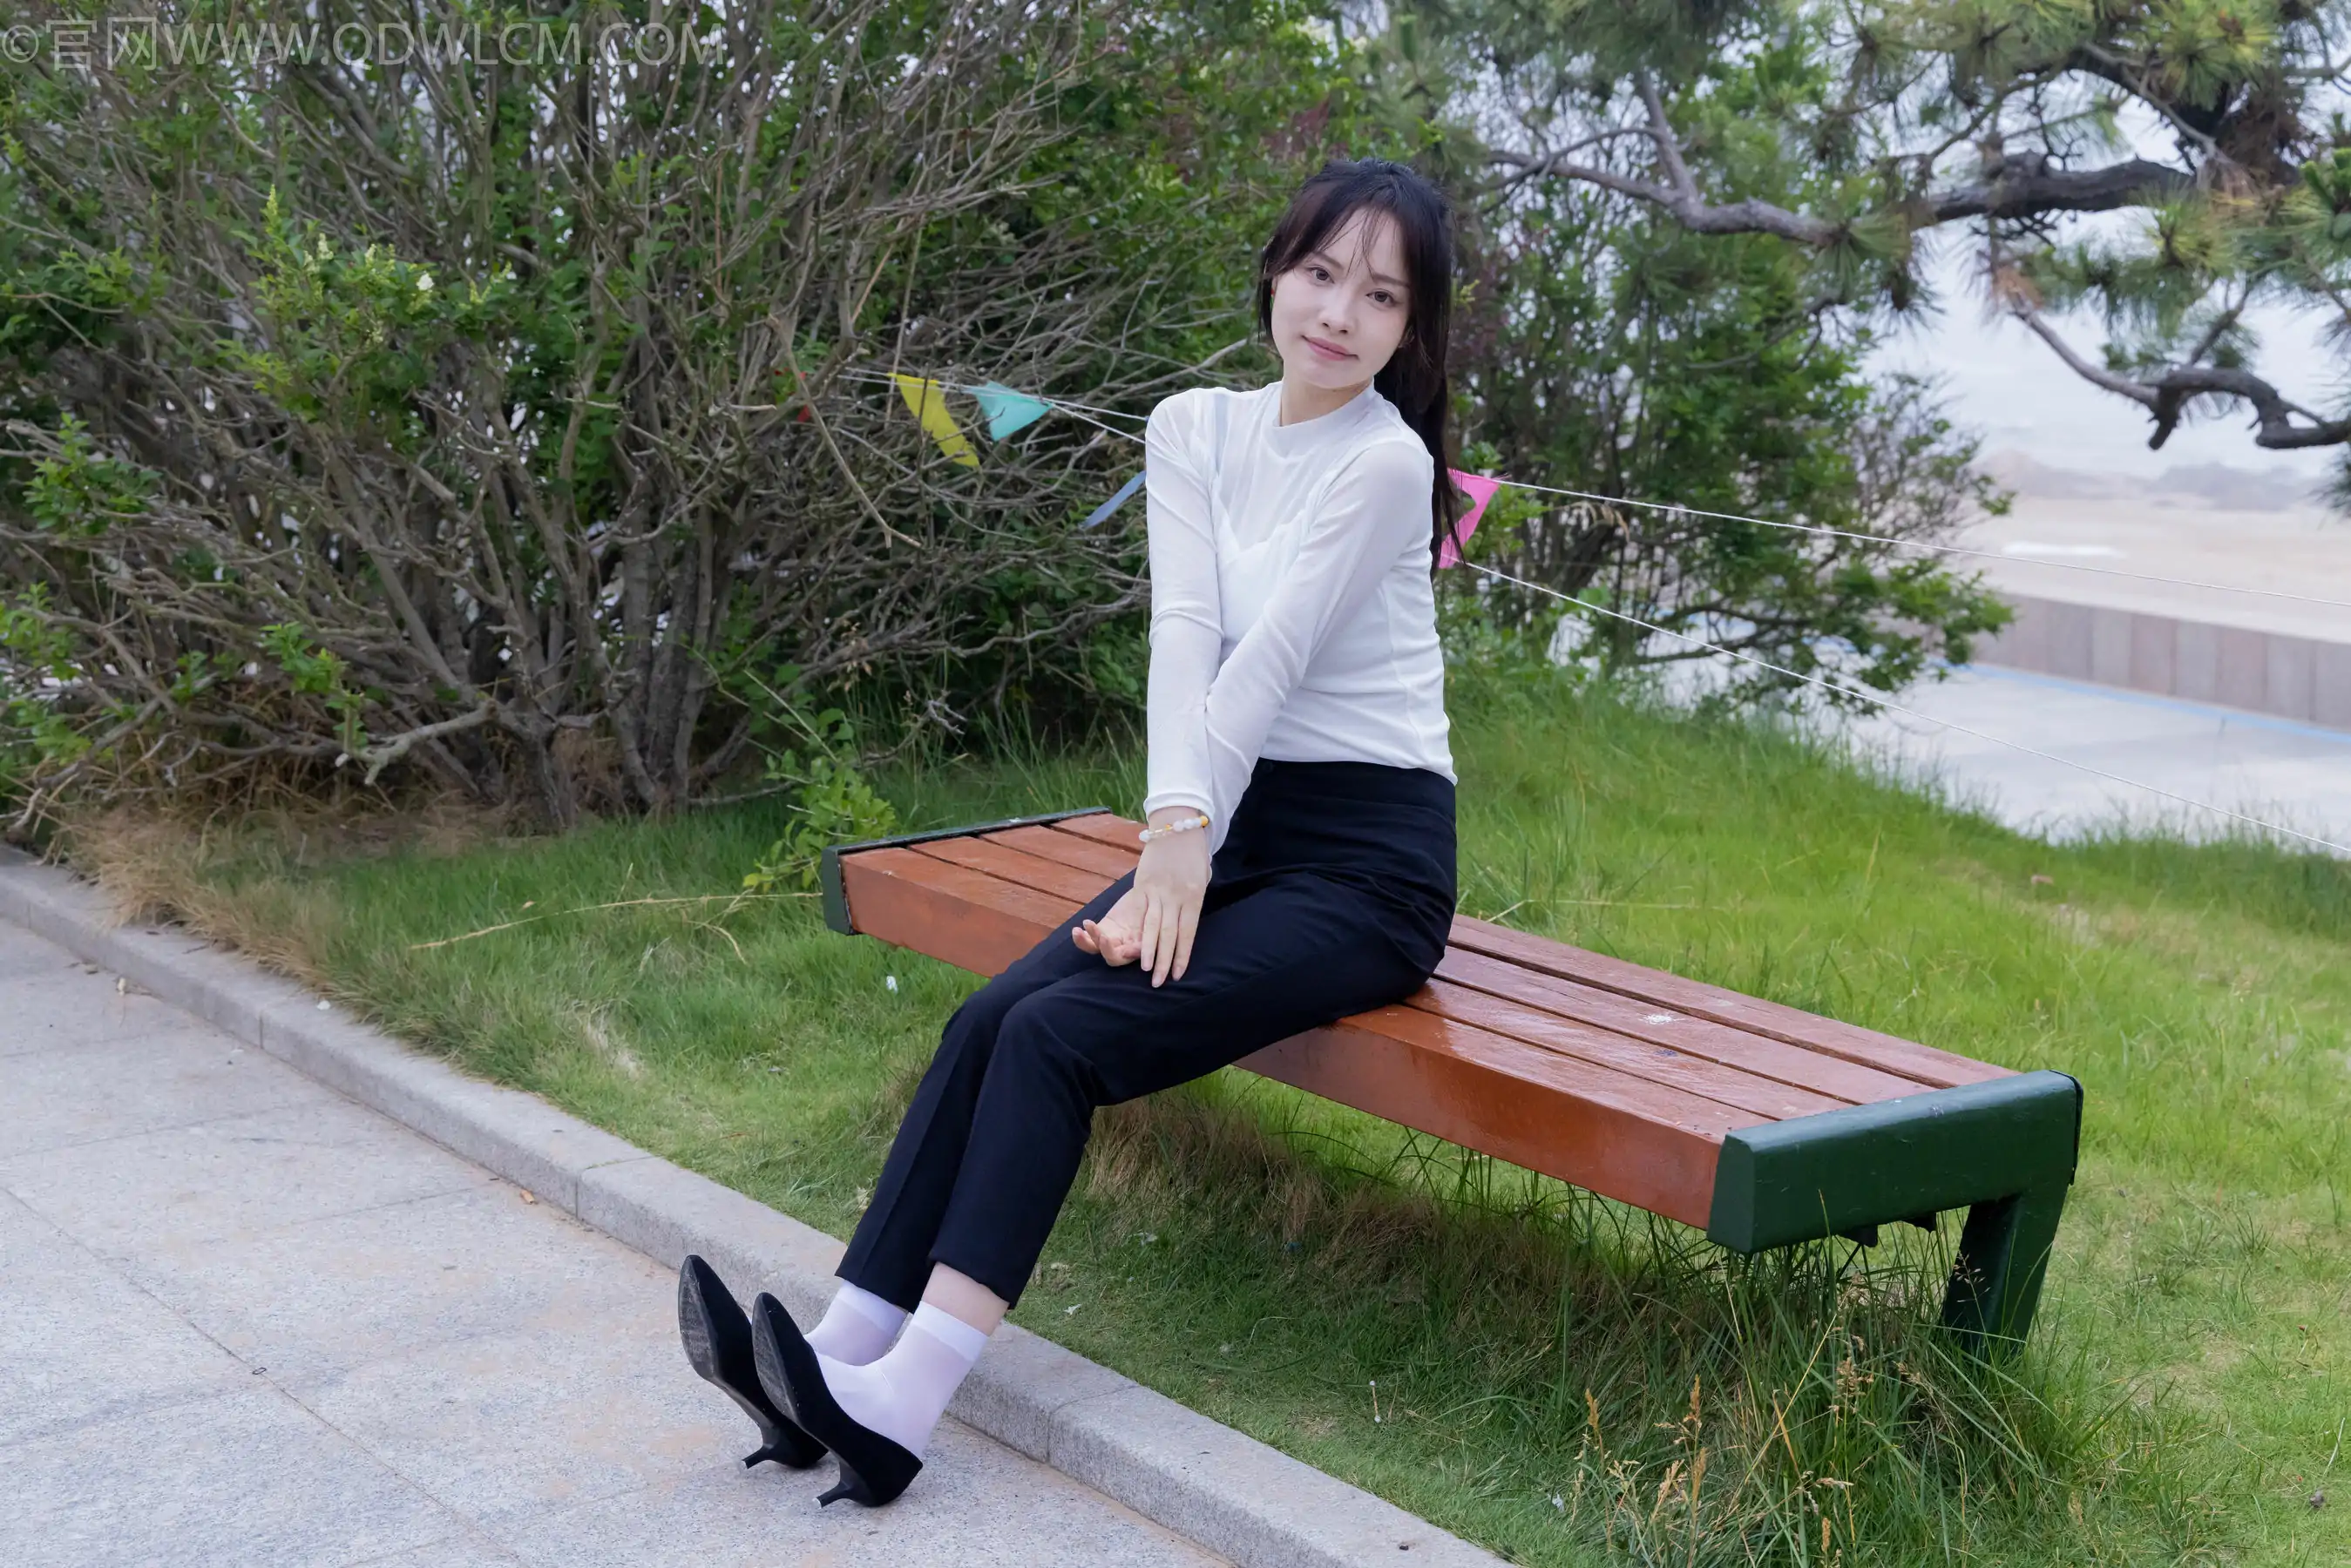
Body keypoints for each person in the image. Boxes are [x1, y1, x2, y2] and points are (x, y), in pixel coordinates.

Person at [676, 154, 1469, 1510]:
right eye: (1320, 272)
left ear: (1411, 331)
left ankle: (902, 1407)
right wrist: (1179, 838)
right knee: (992, 1018)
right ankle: (840, 1353)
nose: (1340, 313)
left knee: (1059, 1038)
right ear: (1275, 274)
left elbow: (1267, 667)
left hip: (1367, 867)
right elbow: (1186, 642)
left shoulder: (1387, 466)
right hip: (1228, 822)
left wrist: (1176, 852)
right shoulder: (1193, 427)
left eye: (1381, 296)